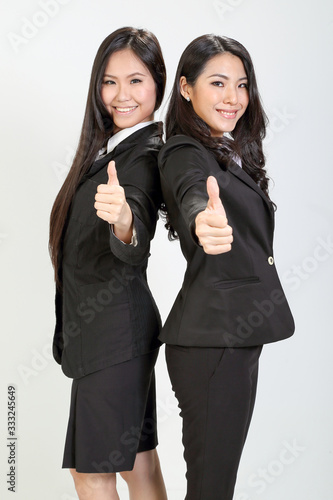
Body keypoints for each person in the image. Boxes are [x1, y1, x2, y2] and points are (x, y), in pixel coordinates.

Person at [158, 34, 295, 500]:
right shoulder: (184, 150)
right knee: (212, 489)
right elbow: (190, 190)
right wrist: (201, 219)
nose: (233, 98)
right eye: (218, 83)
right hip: (212, 343)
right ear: (185, 88)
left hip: (230, 339)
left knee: (215, 486)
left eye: (241, 85)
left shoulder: (229, 150)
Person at [49, 27, 168, 500]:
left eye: (136, 81)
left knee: (91, 472)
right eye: (110, 81)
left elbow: (135, 223)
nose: (121, 95)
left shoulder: (147, 154)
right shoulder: (111, 148)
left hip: (113, 338)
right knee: (139, 465)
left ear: (158, 83)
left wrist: (124, 220)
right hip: (118, 334)